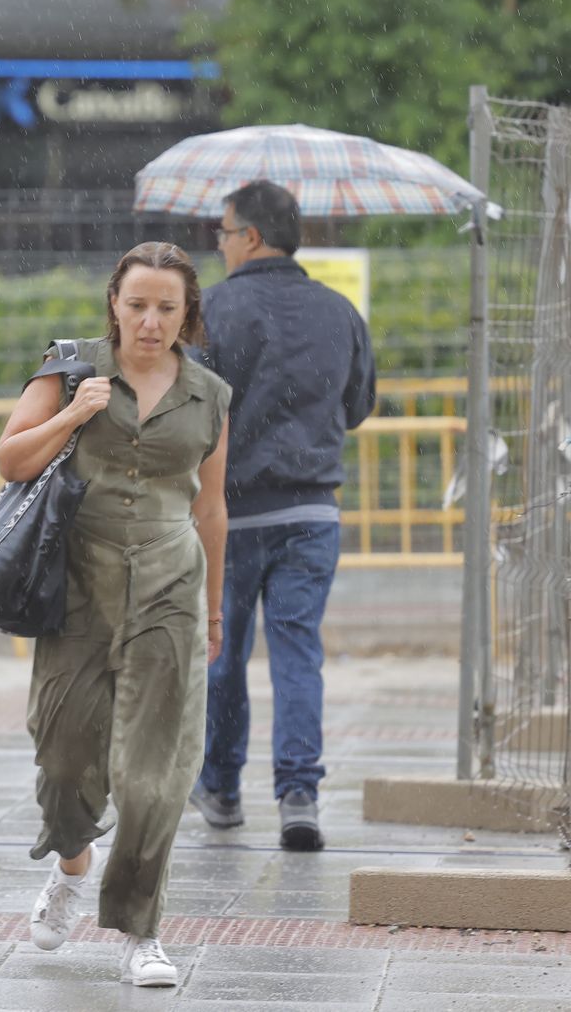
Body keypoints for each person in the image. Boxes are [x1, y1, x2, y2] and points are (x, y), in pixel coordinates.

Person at [0, 242, 230, 988]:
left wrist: (215, 611)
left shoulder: (211, 395)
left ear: (187, 313)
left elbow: (212, 506)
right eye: (138, 305)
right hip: (78, 584)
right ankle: (71, 865)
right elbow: (11, 459)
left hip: (171, 587)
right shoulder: (70, 366)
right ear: (114, 305)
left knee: (156, 776)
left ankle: (141, 930)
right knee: (64, 762)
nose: (151, 321)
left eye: (167, 307)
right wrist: (73, 414)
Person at [190, 179, 376, 851]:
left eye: (224, 231)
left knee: (224, 652)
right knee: (298, 654)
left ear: (252, 237)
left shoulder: (212, 311)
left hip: (230, 516)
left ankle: (221, 788)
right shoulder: (339, 310)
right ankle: (299, 796)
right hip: (312, 513)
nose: (220, 243)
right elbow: (356, 407)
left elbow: (192, 415)